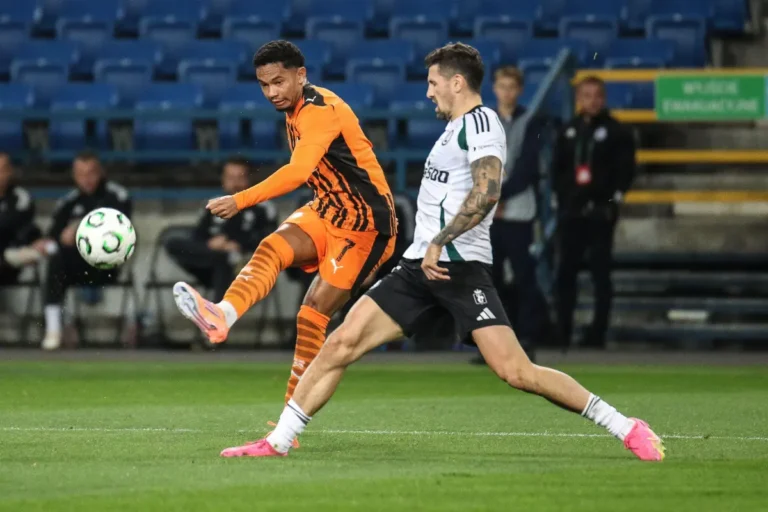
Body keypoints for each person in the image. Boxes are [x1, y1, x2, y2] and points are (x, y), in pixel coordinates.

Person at [221, 43, 664, 462]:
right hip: (417, 268)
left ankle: (624, 426)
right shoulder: (452, 130)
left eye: (433, 82)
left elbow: (488, 191)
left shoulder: (482, 124)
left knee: (516, 371)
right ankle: (278, 441)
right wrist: (425, 246)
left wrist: (440, 241)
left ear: (456, 82)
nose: (428, 90)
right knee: (341, 342)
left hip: (459, 268)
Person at [172, 40, 397, 408]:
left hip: (366, 226)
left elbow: (297, 172)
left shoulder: (322, 111)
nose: (272, 92)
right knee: (271, 247)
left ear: (300, 75)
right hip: (327, 209)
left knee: (311, 315)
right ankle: (222, 315)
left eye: (278, 82)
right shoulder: (293, 110)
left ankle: (290, 420)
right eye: (264, 85)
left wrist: (240, 199)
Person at [553, 76, 636, 349]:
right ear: (579, 98)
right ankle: (563, 332)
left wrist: (612, 203)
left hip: (600, 214)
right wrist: (564, 199)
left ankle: (597, 333)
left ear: (604, 98)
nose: (592, 101)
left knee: (601, 275)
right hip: (572, 213)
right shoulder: (568, 131)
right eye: (586, 95)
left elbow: (625, 173)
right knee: (566, 273)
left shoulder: (617, 132)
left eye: (597, 95)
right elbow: (557, 170)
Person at [473, 67, 548, 365]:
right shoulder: (485, 121)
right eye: (501, 86)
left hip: (517, 212)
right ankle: (493, 345)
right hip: (488, 214)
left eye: (511, 87)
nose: (506, 92)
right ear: (494, 88)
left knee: (524, 276)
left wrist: (496, 195)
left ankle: (526, 339)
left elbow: (529, 167)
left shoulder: (532, 121)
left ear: (519, 90)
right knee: (490, 280)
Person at [40, 150, 132, 350]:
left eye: (91, 173)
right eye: (81, 174)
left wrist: (80, 230)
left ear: (101, 172)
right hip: (75, 267)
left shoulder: (116, 196)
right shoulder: (68, 202)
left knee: (64, 253)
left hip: (107, 266)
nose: (86, 179)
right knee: (56, 255)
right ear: (74, 176)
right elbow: (53, 235)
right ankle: (53, 328)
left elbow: (121, 227)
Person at [165, 156, 277, 302]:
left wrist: (238, 244)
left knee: (225, 259)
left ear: (249, 179)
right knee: (173, 243)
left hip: (245, 269)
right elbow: (198, 235)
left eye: (239, 177)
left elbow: (271, 238)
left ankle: (218, 316)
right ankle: (217, 313)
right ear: (223, 179)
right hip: (208, 262)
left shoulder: (262, 206)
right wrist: (209, 244)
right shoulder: (213, 204)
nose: (235, 183)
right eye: (230, 178)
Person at [0, 153, 44, 283]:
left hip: (13, 253)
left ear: (10, 172)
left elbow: (11, 224)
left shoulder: (21, 196)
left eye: (3, 170)